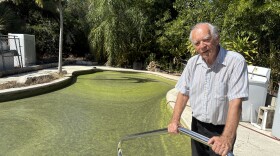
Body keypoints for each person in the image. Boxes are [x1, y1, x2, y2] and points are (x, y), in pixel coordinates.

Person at [168, 22, 249, 156]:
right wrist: (175, 120)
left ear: (217, 39)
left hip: (222, 130)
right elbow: (183, 93)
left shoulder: (235, 62)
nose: (202, 46)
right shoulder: (192, 63)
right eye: (197, 43)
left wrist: (227, 138)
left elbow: (236, 102)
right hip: (197, 126)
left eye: (206, 40)